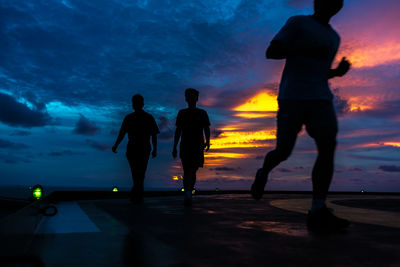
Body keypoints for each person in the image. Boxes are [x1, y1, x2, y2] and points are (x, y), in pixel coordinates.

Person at [251, 0, 351, 232]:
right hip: (292, 96)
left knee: (327, 147)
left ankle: (318, 209)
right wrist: (306, 50)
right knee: (284, 151)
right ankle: (263, 172)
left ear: (338, 6)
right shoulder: (299, 22)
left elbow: (319, 71)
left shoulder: (334, 37)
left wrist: (336, 72)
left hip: (320, 98)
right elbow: (272, 51)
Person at [112, 94, 159, 204]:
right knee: (138, 173)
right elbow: (122, 133)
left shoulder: (147, 117)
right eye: (134, 102)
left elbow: (154, 135)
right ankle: (137, 194)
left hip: (142, 148)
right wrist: (116, 144)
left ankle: (137, 194)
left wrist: (155, 149)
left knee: (139, 173)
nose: (135, 105)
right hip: (134, 148)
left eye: (137, 102)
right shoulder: (131, 117)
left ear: (141, 104)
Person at [173, 88, 211, 206]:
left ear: (197, 98)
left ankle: (189, 191)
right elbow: (178, 131)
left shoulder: (202, 113)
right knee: (187, 169)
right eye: (189, 96)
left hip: (198, 145)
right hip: (185, 145)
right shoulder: (182, 113)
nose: (191, 98)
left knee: (193, 170)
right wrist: (174, 146)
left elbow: (206, 128)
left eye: (193, 96)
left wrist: (208, 141)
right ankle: (188, 193)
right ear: (186, 98)